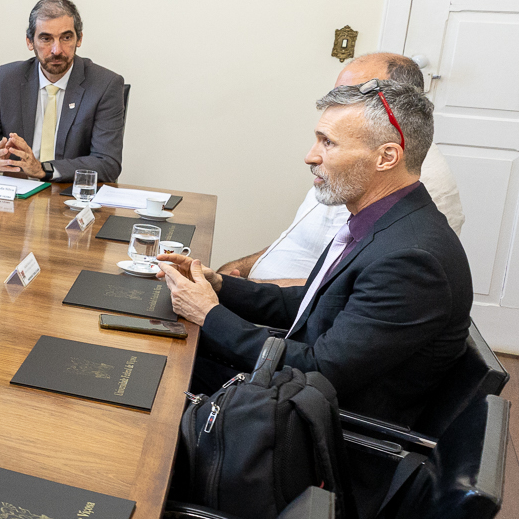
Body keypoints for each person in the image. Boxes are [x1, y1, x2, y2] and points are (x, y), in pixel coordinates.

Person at [158, 80, 472, 427]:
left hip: (321, 433)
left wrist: (208, 313)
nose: (311, 156)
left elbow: (320, 371)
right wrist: (219, 286)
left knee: (157, 375)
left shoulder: (413, 260)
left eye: (328, 143)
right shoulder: (383, 221)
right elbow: (314, 305)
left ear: (386, 157)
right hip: (301, 396)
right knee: (158, 345)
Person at [219, 52, 464, 282]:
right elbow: (300, 240)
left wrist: (245, 292)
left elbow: (343, 288)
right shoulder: (348, 165)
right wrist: (233, 275)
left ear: (399, 101)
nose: (337, 105)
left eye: (354, 95)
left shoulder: (412, 184)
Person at [0, 0, 127, 183]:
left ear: (79, 39)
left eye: (66, 37)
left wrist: (43, 169)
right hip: (16, 196)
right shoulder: (7, 79)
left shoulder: (105, 85)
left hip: (68, 199)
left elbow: (107, 163)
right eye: (46, 39)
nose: (57, 50)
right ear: (29, 41)